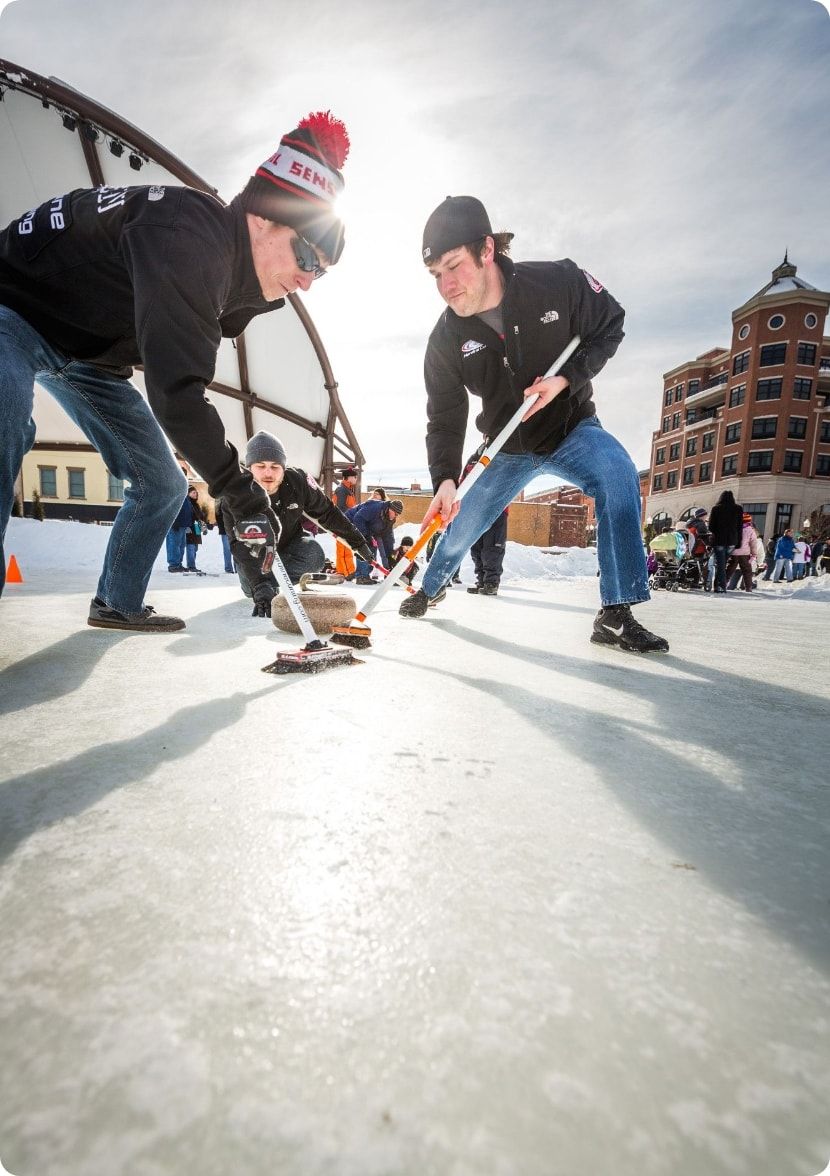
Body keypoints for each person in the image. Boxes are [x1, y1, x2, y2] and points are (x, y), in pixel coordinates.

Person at [0, 111, 350, 632]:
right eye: (306, 255)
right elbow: (177, 394)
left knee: (161, 483)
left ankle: (117, 602)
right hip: (16, 307)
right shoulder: (189, 236)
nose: (308, 279)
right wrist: (241, 489)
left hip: (91, 357)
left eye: (321, 269)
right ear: (261, 217)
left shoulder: (237, 280)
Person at [397, 194, 667, 654]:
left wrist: (567, 379)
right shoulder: (446, 338)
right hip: (504, 445)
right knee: (461, 521)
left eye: (454, 265)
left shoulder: (558, 282)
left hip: (570, 427)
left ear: (486, 249)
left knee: (619, 475)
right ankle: (432, 585)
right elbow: (443, 414)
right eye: (435, 274)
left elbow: (610, 324)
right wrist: (443, 477)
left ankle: (616, 613)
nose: (446, 285)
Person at [221, 431, 373, 616]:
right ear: (249, 467)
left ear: (284, 468)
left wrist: (357, 542)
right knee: (250, 586)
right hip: (254, 554)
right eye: (261, 466)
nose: (268, 472)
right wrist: (260, 585)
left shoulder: (298, 482)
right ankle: (260, 584)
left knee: (314, 555)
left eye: (275, 466)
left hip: (290, 545)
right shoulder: (235, 494)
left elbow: (328, 512)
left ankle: (270, 583)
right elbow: (237, 544)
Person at [347, 498, 404, 583]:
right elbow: (358, 519)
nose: (395, 516)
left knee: (372, 549)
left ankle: (363, 573)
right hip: (350, 521)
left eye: (397, 515)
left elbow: (388, 537)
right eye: (394, 513)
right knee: (364, 547)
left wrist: (389, 555)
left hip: (368, 528)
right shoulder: (375, 507)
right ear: (390, 508)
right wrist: (366, 537)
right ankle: (361, 576)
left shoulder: (390, 519)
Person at [708, 490, 743, 593]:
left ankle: (720, 586)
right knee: (723, 564)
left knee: (721, 564)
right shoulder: (738, 509)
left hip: (719, 540)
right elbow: (739, 527)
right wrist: (738, 542)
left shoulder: (716, 509)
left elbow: (711, 527)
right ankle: (720, 586)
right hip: (732, 540)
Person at [332, 466, 358, 579]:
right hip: (342, 523)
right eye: (355, 477)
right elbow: (340, 508)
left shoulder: (346, 489)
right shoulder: (342, 490)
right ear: (349, 477)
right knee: (344, 547)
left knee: (343, 547)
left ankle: (342, 571)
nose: (356, 479)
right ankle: (348, 572)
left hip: (345, 522)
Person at [725, 513, 759, 592]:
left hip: (733, 553)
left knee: (729, 570)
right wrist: (754, 554)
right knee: (747, 571)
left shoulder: (733, 528)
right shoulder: (750, 530)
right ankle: (748, 588)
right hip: (744, 554)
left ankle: (723, 585)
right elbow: (753, 543)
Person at [183, 486, 208, 572]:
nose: (196, 494)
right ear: (188, 494)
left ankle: (192, 565)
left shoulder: (196, 505)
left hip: (196, 528)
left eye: (196, 493)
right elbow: (186, 516)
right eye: (193, 492)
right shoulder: (187, 503)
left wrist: (204, 528)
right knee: (191, 547)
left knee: (195, 548)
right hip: (190, 528)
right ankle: (191, 566)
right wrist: (186, 527)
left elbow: (200, 518)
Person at [214, 499, 236, 574]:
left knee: (235, 549)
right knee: (228, 549)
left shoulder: (234, 501)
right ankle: (228, 568)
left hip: (235, 530)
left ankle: (236, 568)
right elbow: (218, 516)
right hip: (225, 530)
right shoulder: (220, 503)